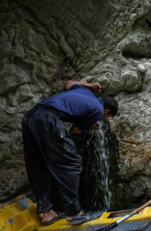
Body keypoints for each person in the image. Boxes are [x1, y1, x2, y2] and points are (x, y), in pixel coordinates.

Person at [22, 80, 118, 226]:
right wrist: (89, 125)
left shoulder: (85, 92)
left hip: (30, 118)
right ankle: (74, 213)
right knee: (72, 162)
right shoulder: (98, 110)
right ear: (106, 111)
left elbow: (67, 83)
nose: (102, 119)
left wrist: (90, 86)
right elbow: (74, 130)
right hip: (48, 119)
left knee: (39, 165)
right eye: (106, 118)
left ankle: (47, 212)